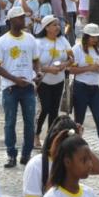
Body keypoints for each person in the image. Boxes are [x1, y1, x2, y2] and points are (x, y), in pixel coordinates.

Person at [0, 6, 40, 168]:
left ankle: (26, 154)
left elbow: (35, 60)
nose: (23, 20)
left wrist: (37, 73)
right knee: (10, 122)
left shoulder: (30, 39)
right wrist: (14, 79)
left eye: (24, 17)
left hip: (27, 87)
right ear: (12, 20)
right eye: (20, 18)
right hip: (10, 88)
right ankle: (11, 154)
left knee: (29, 122)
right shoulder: (2, 41)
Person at [34, 16, 71, 149]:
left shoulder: (62, 40)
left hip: (59, 80)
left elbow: (71, 58)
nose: (57, 27)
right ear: (46, 27)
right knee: (45, 108)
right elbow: (34, 64)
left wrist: (64, 65)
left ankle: (50, 138)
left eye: (58, 25)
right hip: (44, 80)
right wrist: (48, 69)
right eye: (54, 25)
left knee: (54, 111)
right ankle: (36, 134)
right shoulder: (38, 42)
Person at [70, 24, 99, 153]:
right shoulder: (77, 49)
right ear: (86, 37)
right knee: (79, 120)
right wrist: (89, 68)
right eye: (92, 37)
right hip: (81, 88)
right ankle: (75, 147)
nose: (95, 40)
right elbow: (70, 69)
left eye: (97, 37)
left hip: (95, 88)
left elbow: (98, 64)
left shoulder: (96, 49)